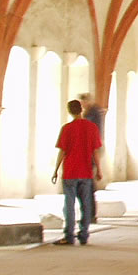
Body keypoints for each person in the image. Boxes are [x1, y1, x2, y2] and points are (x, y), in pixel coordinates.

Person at [51, 100, 102, 245]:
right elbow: (95, 152)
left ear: (70, 111)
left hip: (70, 172)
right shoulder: (92, 128)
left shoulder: (67, 128)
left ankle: (69, 236)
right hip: (86, 172)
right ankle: (84, 235)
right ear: (81, 110)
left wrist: (55, 170)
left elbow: (62, 151)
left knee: (69, 204)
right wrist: (99, 169)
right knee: (86, 204)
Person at [78, 93, 106, 222]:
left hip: (90, 152)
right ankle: (89, 214)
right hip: (88, 152)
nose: (82, 105)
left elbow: (93, 135)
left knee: (87, 184)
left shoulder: (93, 114)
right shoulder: (91, 113)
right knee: (86, 184)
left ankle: (90, 214)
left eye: (83, 102)